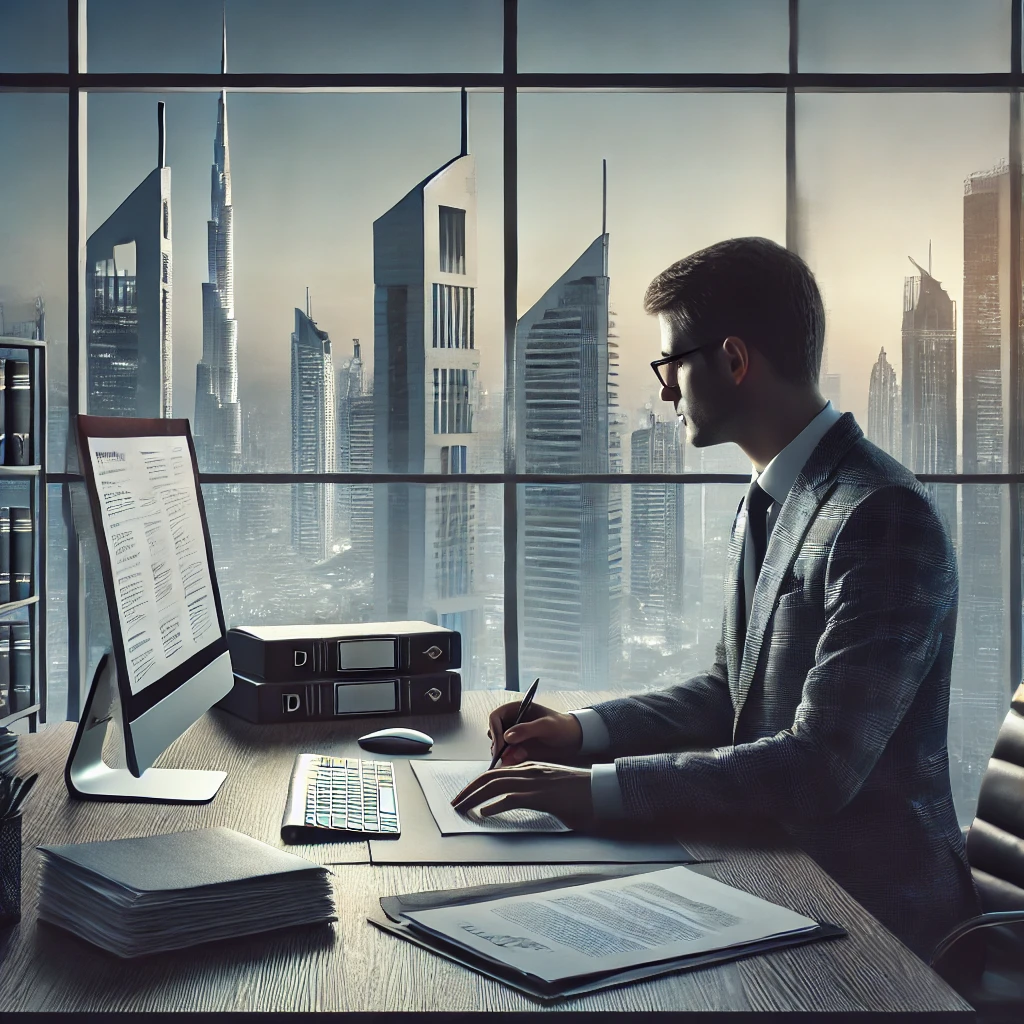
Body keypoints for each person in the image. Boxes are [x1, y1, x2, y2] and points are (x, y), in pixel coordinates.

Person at [452, 236, 980, 960]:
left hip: (876, 916)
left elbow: (817, 767)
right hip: (771, 870)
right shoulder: (770, 497)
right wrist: (579, 733)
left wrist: (594, 791)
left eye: (670, 363)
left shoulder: (881, 516)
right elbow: (726, 692)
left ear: (733, 360)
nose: (665, 390)